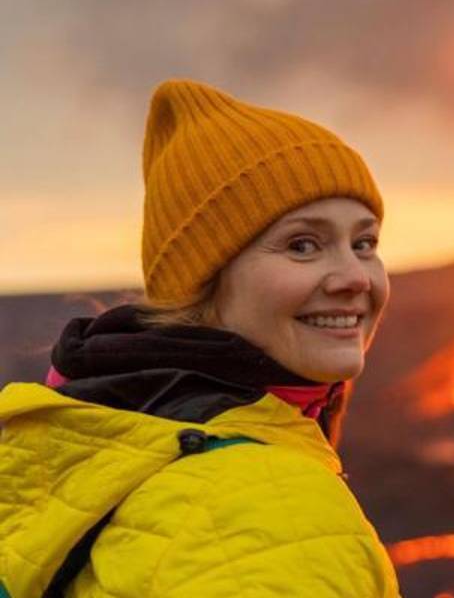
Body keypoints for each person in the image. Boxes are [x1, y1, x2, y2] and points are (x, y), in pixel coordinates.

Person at [0, 80, 401, 596]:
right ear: (203, 281)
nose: (356, 277)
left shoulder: (87, 444)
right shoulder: (274, 510)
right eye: (303, 245)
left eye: (365, 242)